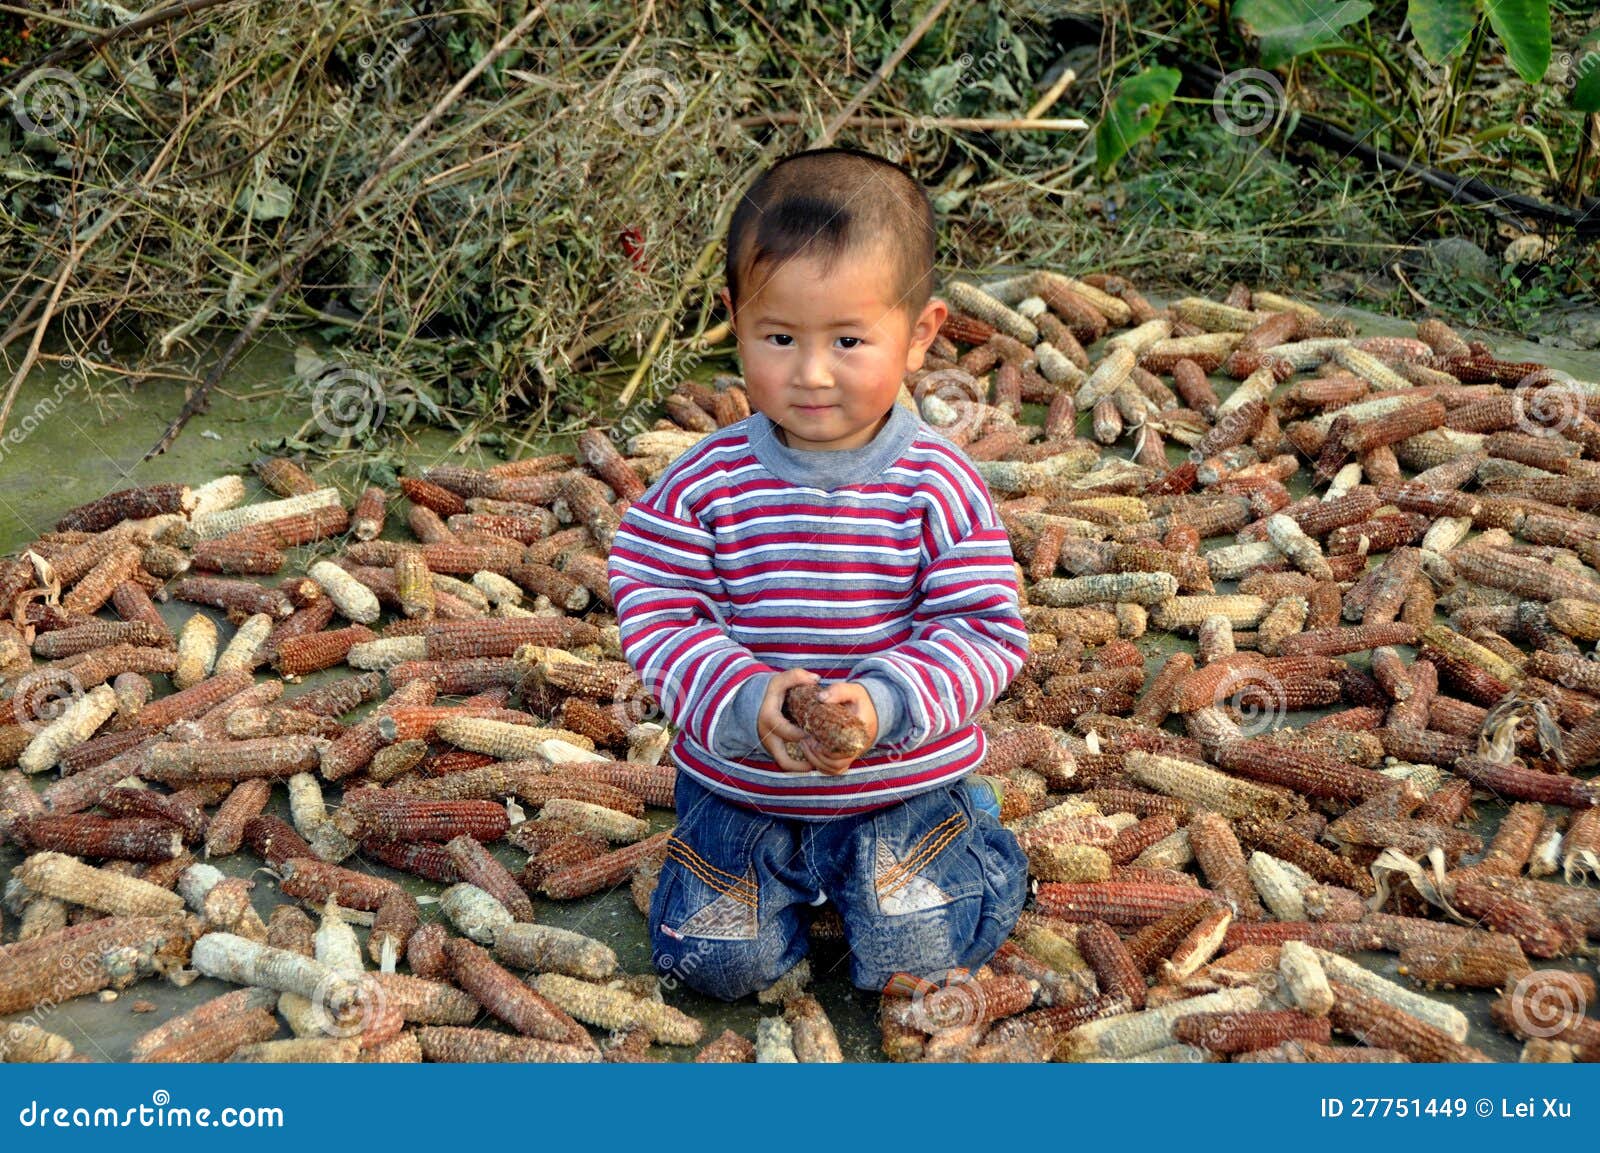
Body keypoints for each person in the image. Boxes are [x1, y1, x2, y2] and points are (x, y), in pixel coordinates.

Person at [605, 145, 1030, 1000]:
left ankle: (974, 840)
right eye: (779, 337)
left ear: (920, 334)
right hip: (744, 788)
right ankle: (772, 885)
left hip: (897, 786)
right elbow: (656, 605)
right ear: (734, 319)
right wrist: (741, 693)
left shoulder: (937, 484)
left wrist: (886, 701)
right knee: (717, 962)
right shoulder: (705, 484)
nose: (811, 372)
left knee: (913, 955)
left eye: (847, 339)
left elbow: (984, 630)